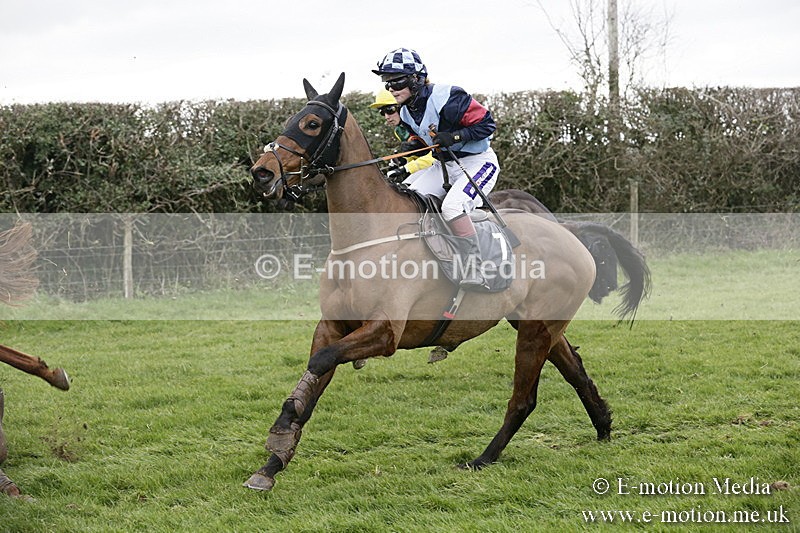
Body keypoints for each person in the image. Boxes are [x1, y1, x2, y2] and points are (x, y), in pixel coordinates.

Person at [372, 48, 500, 289]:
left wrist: (455, 136)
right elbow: (425, 142)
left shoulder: (448, 97)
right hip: (444, 166)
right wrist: (410, 150)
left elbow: (487, 124)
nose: (391, 89)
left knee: (452, 207)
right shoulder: (407, 110)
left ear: (416, 78)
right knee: (407, 199)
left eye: (396, 81)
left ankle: (474, 267)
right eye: (387, 83)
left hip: (478, 163)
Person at [369, 89, 435, 182]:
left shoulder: (424, 122)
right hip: (429, 167)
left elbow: (440, 156)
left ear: (402, 107)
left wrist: (406, 168)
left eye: (390, 110)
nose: (387, 117)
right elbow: (417, 158)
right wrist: (403, 160)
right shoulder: (399, 131)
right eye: (382, 112)